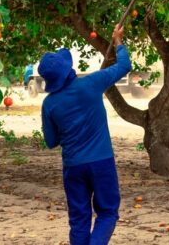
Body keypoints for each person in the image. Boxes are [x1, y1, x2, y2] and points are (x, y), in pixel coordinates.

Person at [37, 24, 131, 245]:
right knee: (107, 213)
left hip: (73, 167)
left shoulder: (49, 104)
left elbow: (51, 142)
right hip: (101, 162)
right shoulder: (92, 83)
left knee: (79, 220)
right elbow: (124, 65)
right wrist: (118, 40)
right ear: (69, 70)